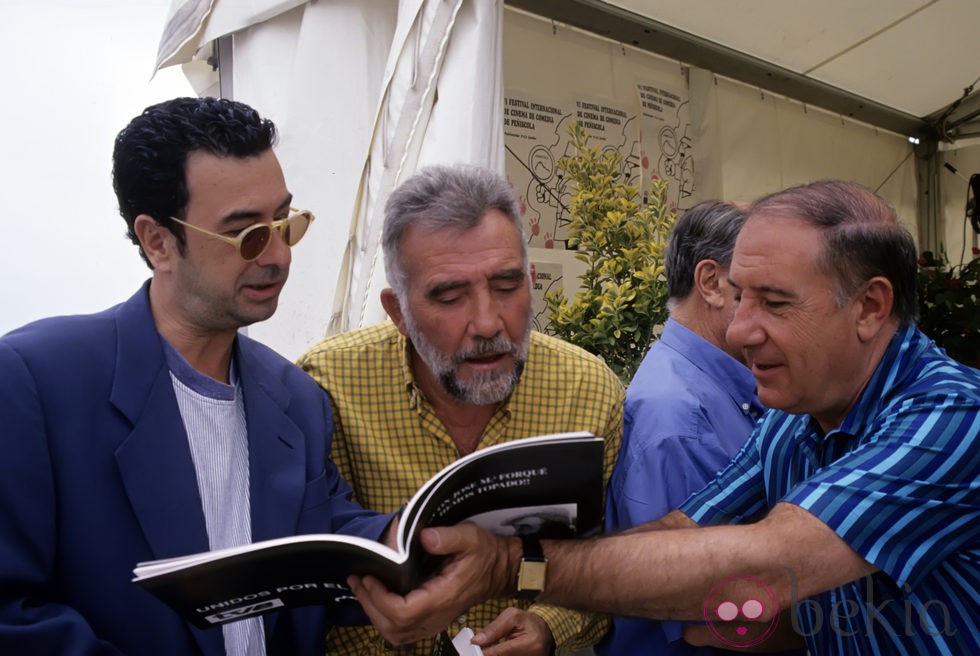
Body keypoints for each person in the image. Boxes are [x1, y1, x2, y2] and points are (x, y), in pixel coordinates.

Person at [348, 179, 980, 656]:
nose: (739, 327)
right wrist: (527, 578)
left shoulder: (953, 418)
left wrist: (506, 566)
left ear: (870, 306)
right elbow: (684, 524)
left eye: (775, 302)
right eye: (740, 295)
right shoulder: (798, 415)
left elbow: (766, 564)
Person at [0, 97, 392, 656]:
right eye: (247, 235)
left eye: (286, 222)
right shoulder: (35, 381)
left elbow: (328, 539)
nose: (279, 255)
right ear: (157, 240)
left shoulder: (297, 398)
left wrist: (417, 542)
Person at [297, 164, 624, 656]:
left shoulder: (586, 391)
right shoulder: (328, 388)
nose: (489, 322)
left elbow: (615, 557)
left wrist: (549, 627)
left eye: (508, 286)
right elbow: (306, 570)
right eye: (450, 297)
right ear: (398, 312)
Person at [598, 201, 766, 655]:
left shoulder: (715, 388)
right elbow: (705, 617)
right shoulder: (678, 418)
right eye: (764, 293)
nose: (776, 316)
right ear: (711, 283)